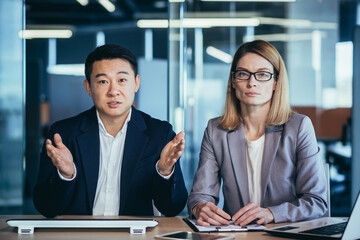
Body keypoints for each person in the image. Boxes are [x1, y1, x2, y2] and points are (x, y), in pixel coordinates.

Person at [33, 44, 188, 218]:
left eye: (122, 80)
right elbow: (45, 207)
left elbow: (173, 208)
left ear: (136, 83)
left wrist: (165, 172)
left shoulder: (159, 134)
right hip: (79, 234)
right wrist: (65, 175)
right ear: (88, 87)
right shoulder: (63, 135)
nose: (113, 91)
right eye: (103, 82)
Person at [187, 40, 328, 226]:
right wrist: (200, 207)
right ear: (233, 80)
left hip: (284, 234)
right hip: (237, 235)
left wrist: (271, 213)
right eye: (243, 74)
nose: (251, 82)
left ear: (276, 82)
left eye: (262, 74)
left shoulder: (299, 127)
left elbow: (317, 202)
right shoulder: (216, 130)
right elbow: (200, 195)